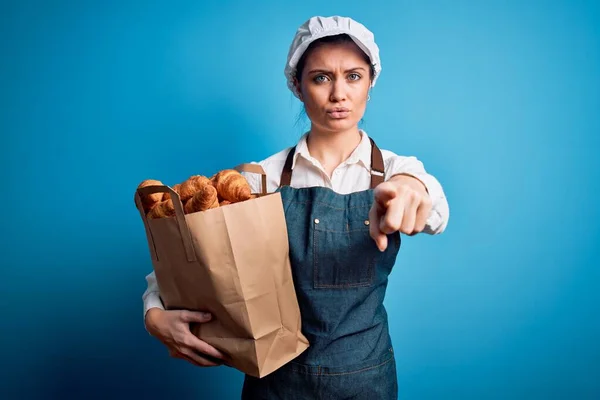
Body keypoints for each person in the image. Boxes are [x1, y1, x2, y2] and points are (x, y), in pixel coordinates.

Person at [142, 15, 450, 399]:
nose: (339, 93)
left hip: (365, 380)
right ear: (298, 87)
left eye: (353, 76)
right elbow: (188, 262)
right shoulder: (261, 179)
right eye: (321, 77)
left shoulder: (393, 171)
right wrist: (153, 314)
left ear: (371, 83)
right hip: (275, 382)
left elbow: (435, 208)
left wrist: (411, 189)